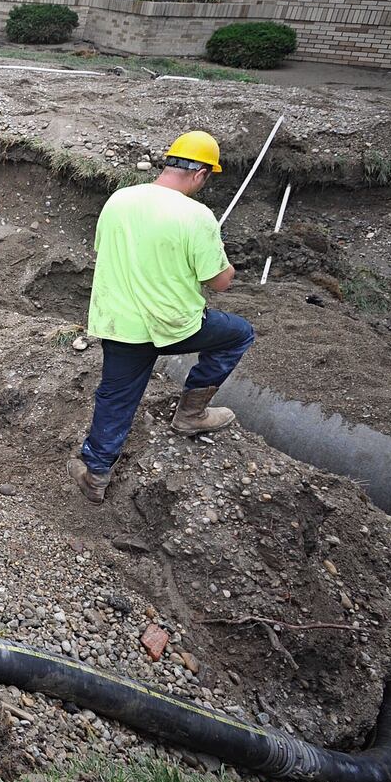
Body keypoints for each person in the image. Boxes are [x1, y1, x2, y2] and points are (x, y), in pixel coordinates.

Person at [69, 131, 255, 503]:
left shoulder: (119, 199)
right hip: (176, 326)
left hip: (121, 324)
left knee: (117, 396)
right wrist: (227, 268)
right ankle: (191, 413)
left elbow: (106, 248)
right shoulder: (197, 216)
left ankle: (97, 475)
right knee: (238, 334)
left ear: (169, 163)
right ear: (201, 173)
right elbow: (218, 283)